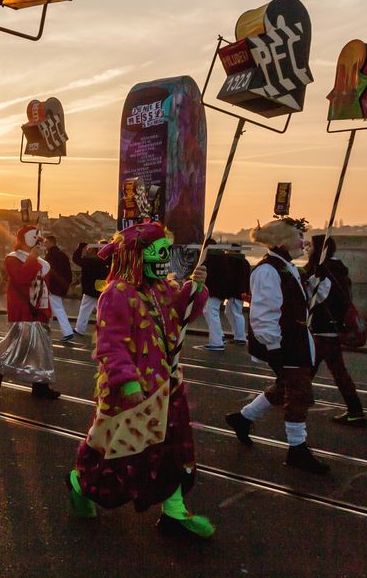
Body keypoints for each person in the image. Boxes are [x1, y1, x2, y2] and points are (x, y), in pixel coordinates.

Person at [67, 222, 213, 538]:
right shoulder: (116, 294)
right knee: (122, 457)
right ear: (137, 256)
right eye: (159, 252)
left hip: (168, 385)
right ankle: (81, 483)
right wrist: (128, 383)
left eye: (166, 252)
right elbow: (111, 344)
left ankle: (175, 511)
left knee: (173, 450)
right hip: (134, 390)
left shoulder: (162, 289)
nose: (165, 259)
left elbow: (181, 313)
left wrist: (195, 288)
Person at [225, 218, 329, 474]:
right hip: (285, 342)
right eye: (297, 236)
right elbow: (263, 314)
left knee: (286, 386)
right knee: (299, 392)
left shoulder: (287, 268)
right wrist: (274, 348)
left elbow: (306, 302)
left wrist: (319, 281)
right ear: (281, 242)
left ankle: (243, 418)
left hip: (296, 339)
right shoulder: (268, 271)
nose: (302, 241)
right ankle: (297, 449)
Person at [0, 224, 61, 399]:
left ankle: (39, 385)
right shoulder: (13, 259)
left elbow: (44, 288)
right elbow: (22, 278)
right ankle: (1, 370)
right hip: (23, 310)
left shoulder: (41, 262)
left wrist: (47, 309)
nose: (37, 244)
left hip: (39, 311)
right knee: (19, 345)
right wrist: (32, 258)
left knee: (39, 348)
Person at [303, 235, 366, 426]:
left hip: (324, 328)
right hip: (332, 327)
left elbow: (317, 298)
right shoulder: (339, 270)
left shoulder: (323, 273)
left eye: (310, 246)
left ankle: (356, 411)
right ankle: (296, 395)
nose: (307, 248)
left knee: (321, 368)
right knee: (315, 366)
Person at [199, 239, 249, 350]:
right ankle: (225, 337)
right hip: (227, 291)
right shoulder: (233, 260)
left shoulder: (214, 259)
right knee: (228, 312)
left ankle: (219, 341)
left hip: (223, 291)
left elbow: (236, 278)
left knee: (219, 312)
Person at [71, 240, 110, 337]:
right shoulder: (109, 260)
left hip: (90, 289)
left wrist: (80, 248)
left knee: (85, 309)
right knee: (103, 311)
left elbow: (76, 259)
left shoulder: (91, 260)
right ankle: (107, 330)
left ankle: (80, 329)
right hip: (103, 288)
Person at [42, 233, 76, 342]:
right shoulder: (62, 255)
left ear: (51, 242)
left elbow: (48, 271)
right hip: (60, 285)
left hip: (53, 286)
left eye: (46, 242)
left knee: (57, 309)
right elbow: (68, 272)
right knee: (51, 308)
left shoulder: (51, 255)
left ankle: (68, 332)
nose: (44, 244)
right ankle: (45, 329)